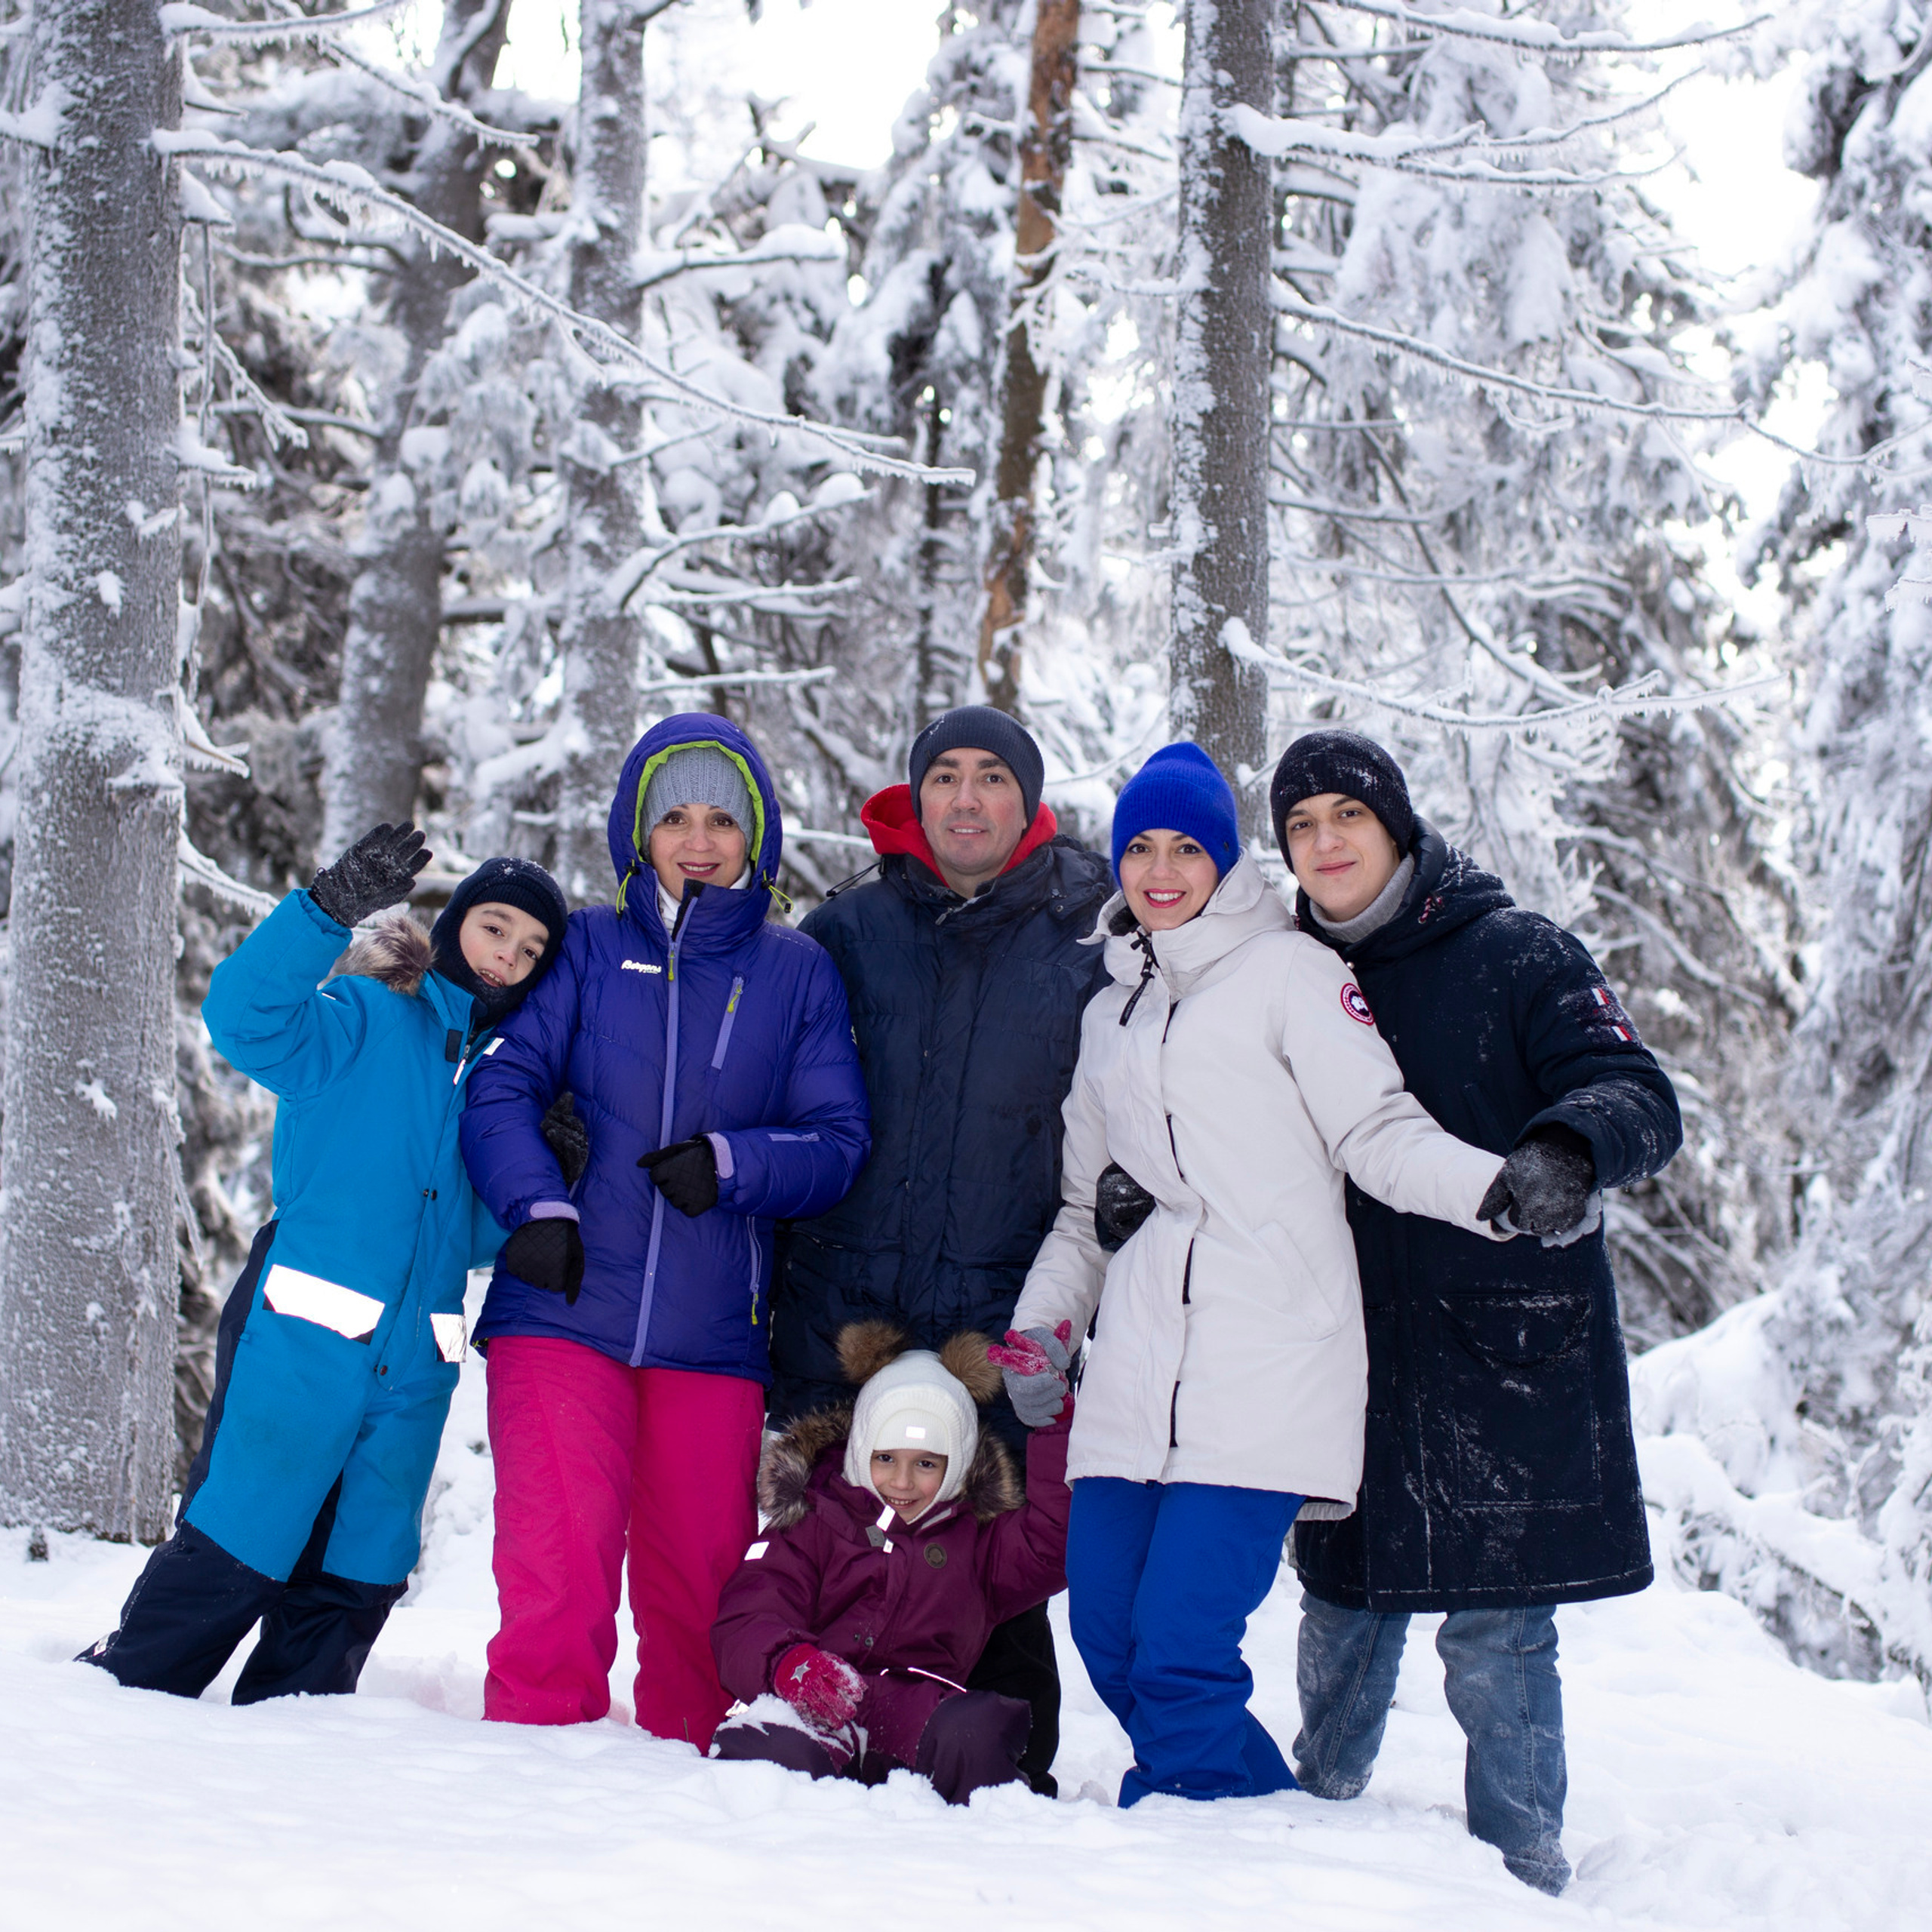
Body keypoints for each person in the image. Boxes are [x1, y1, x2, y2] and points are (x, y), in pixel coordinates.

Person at [999, 741, 1511, 1809]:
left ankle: (1197, 1854)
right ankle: (1255, 1820)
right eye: (1139, 846)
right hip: (1140, 1359)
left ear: (1229, 862)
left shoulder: (1294, 974)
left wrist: (1492, 1189)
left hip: (1268, 1354)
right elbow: (1085, 1213)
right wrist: (1042, 1329)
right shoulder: (1112, 1013)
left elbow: (1376, 1129)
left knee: (1181, 1646)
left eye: (1189, 845)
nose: (1161, 868)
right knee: (1106, 1632)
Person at [1270, 728, 1683, 1897]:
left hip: (1508, 1346)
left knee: (1498, 1632)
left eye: (1346, 816)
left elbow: (1639, 1094)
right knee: (1345, 1606)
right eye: (1301, 826)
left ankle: (1523, 1863)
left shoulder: (1516, 951)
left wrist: (1568, 1145)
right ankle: (1307, 1838)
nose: (1325, 842)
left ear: (1396, 826)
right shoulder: (1286, 971)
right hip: (1347, 1342)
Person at [82, 829, 568, 1702]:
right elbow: (242, 1017)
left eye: (530, 950)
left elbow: (466, 1238)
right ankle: (127, 1702)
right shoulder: (366, 1017)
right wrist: (323, 912)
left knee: (363, 1566)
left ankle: (295, 1747)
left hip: (413, 1369)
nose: (508, 956)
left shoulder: (502, 1083)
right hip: (300, 1336)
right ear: (456, 923)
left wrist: (548, 1175)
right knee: (243, 1530)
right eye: (497, 928)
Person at [459, 715, 869, 1748]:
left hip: (713, 1333)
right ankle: (529, 1776)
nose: (699, 840)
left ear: (757, 835)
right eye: (674, 817)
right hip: (560, 1308)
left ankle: (695, 1808)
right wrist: (536, 1209)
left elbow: (836, 1142)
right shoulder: (590, 948)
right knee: (557, 1572)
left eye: (722, 819)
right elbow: (502, 1087)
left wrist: (731, 1166)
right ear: (638, 833)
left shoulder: (796, 972)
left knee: (702, 1599)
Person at [768, 703, 1112, 1793]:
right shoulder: (848, 932)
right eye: (947, 777)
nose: (968, 798)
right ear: (917, 798)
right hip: (850, 1304)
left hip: (994, 1310)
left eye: (992, 778)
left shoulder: (1093, 931)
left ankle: (1013, 1777)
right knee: (839, 1546)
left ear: (1029, 799)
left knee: (992, 1568)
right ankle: (836, 1746)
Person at [709, 1320, 1071, 1803]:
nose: (901, 1483)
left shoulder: (979, 1541)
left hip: (913, 1711)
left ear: (957, 1462)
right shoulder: (814, 1519)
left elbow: (1053, 1543)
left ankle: (960, 1836)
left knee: (977, 1736)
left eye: (926, 1463)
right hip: (815, 1698)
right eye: (886, 1458)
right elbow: (750, 1610)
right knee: (771, 1757)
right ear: (861, 1451)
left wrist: (1054, 1427)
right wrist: (788, 1663)